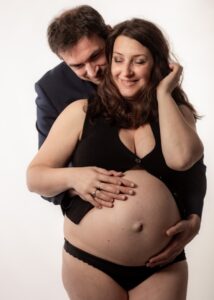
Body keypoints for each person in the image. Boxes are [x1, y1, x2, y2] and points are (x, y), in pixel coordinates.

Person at [28, 16, 206, 299]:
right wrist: (76, 179)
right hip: (92, 258)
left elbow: (189, 163)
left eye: (97, 56)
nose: (91, 70)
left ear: (108, 39)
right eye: (76, 66)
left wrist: (195, 214)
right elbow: (39, 174)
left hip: (161, 262)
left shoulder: (172, 107)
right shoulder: (66, 100)